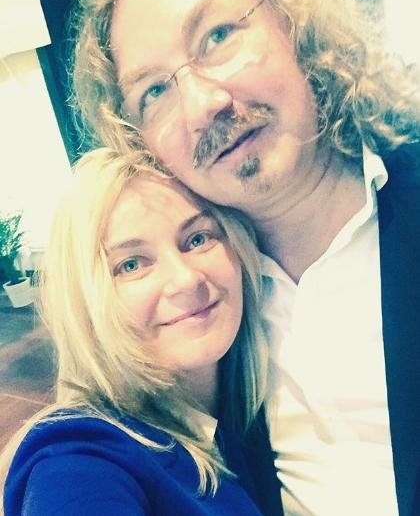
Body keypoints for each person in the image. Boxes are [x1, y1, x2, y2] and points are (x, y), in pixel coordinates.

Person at [69, 0, 420, 515]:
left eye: (217, 36)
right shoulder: (198, 309)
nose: (202, 106)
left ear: (296, 23)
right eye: (155, 91)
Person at [0, 148, 281, 515]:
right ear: (86, 302)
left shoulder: (252, 403)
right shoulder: (79, 462)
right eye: (131, 264)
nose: (186, 279)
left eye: (197, 239)